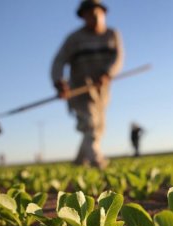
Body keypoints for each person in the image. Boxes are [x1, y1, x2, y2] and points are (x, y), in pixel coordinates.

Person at [51, 0, 124, 169]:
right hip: (80, 89)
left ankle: (79, 161)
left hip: (102, 90)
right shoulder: (74, 39)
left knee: (99, 126)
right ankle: (96, 161)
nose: (93, 18)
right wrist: (59, 81)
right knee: (90, 123)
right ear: (83, 17)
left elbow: (118, 58)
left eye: (96, 13)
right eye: (88, 15)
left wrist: (108, 73)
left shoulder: (112, 35)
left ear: (103, 13)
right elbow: (58, 61)